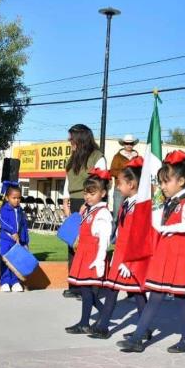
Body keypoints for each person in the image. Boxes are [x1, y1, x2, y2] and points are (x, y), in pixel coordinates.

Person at [117, 150, 185, 354]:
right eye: (161, 182)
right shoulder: (167, 204)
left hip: (182, 258)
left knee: (181, 299)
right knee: (156, 295)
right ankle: (140, 337)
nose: (163, 186)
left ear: (182, 181)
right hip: (166, 256)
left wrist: (170, 228)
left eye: (166, 182)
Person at [90, 158, 149, 339]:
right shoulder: (126, 202)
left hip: (131, 256)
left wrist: (130, 260)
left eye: (120, 183)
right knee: (113, 290)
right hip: (121, 253)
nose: (117, 187)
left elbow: (139, 235)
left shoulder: (140, 206)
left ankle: (144, 328)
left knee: (138, 292)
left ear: (131, 184)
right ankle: (104, 325)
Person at [62, 124, 107, 299]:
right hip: (73, 202)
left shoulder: (97, 157)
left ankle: (87, 287)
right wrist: (65, 201)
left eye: (71, 138)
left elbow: (101, 182)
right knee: (71, 243)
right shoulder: (72, 157)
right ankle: (74, 285)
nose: (69, 141)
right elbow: (68, 180)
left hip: (88, 202)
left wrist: (89, 204)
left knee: (86, 244)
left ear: (80, 138)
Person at [65, 169, 112, 334]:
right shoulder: (89, 210)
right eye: (86, 193)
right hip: (85, 253)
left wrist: (99, 260)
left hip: (93, 255)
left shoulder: (103, 213)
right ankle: (88, 320)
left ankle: (90, 320)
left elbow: (104, 238)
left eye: (92, 193)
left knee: (87, 290)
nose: (88, 197)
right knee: (85, 290)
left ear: (103, 193)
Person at [0, 181, 29, 293]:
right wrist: (12, 231)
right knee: (5, 261)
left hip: (17, 242)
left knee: (15, 261)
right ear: (7, 198)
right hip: (5, 241)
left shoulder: (20, 211)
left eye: (19, 198)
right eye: (14, 198)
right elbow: (2, 221)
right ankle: (5, 281)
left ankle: (15, 281)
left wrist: (25, 242)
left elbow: (24, 226)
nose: (17, 200)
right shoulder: (4, 210)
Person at [109, 134, 139, 220]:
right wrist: (126, 174)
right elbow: (112, 171)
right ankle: (114, 233)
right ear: (123, 144)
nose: (129, 145)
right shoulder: (117, 157)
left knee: (132, 214)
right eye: (127, 143)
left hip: (133, 188)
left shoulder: (137, 156)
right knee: (116, 216)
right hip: (120, 189)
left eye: (131, 143)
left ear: (133, 144)